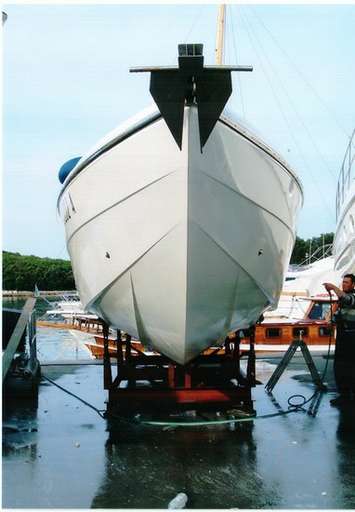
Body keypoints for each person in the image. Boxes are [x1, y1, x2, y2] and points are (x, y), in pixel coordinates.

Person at [323, 274, 355, 406]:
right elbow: (333, 317)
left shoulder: (352, 297)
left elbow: (347, 299)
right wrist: (331, 318)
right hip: (342, 337)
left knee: (351, 365)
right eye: (343, 282)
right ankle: (344, 394)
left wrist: (333, 287)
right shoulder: (340, 301)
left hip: (352, 337)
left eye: (347, 282)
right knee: (340, 366)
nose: (344, 284)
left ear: (353, 285)